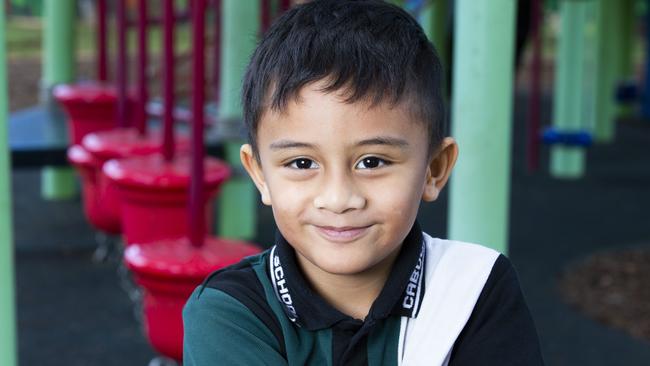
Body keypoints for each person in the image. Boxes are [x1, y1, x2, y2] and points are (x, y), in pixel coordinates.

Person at [183, 1, 544, 365]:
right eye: (301, 163)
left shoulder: (473, 288)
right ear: (259, 173)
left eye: (372, 162)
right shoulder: (231, 312)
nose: (339, 198)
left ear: (434, 169)